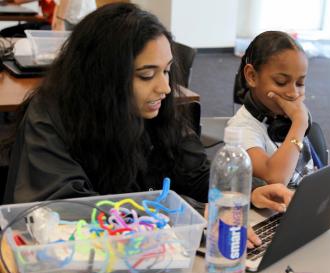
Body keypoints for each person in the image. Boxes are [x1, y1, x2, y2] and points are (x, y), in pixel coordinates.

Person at [2, 3, 291, 247]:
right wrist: (188, 214)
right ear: (103, 78)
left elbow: (195, 174)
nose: (165, 87)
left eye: (166, 71)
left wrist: (247, 192)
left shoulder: (156, 110)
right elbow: (68, 210)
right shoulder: (51, 117)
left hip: (149, 256)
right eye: (146, 75)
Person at [227, 31, 323, 189]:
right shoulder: (242, 130)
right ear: (251, 76)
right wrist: (299, 123)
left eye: (300, 83)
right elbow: (276, 180)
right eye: (281, 82)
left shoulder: (287, 118)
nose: (293, 93)